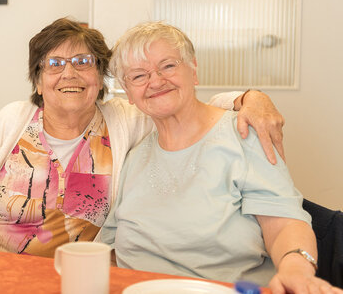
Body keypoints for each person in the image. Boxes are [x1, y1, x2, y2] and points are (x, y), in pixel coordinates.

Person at [0, 18, 284, 258]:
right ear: (38, 81)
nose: (69, 74)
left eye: (83, 63)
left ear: (101, 79)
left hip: (61, 277)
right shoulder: (13, 120)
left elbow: (186, 106)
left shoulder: (126, 121)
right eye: (54, 64)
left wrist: (250, 98)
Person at [99, 21, 342, 293]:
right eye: (139, 76)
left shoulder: (243, 135)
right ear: (129, 93)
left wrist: (296, 269)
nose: (155, 81)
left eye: (168, 66)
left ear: (194, 71)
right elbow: (109, 248)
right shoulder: (134, 156)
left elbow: (284, 222)